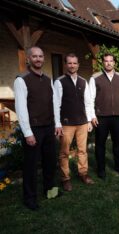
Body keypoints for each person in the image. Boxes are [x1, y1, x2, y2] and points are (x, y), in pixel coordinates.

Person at [14, 46, 62, 210]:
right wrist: (27, 133)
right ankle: (30, 198)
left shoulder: (48, 79)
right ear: (28, 59)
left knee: (50, 162)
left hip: (49, 127)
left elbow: (54, 103)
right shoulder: (21, 79)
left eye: (41, 56)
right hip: (33, 129)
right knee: (31, 166)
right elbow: (21, 109)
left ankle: (50, 190)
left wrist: (57, 124)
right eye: (34, 56)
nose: (38, 59)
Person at [54, 53, 94, 191]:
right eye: (69, 63)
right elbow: (56, 105)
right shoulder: (59, 81)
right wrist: (57, 124)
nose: (72, 65)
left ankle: (83, 173)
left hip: (82, 122)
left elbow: (88, 102)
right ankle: (65, 178)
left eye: (74, 63)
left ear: (78, 65)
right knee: (64, 152)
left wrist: (89, 120)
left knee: (82, 150)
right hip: (66, 123)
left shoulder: (83, 81)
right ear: (66, 64)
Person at [89, 53, 119, 178]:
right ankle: (101, 169)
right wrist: (92, 116)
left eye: (111, 61)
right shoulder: (95, 78)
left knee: (118, 143)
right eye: (106, 61)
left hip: (118, 116)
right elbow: (90, 99)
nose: (108, 63)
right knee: (100, 144)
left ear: (114, 63)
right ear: (102, 62)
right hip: (101, 116)